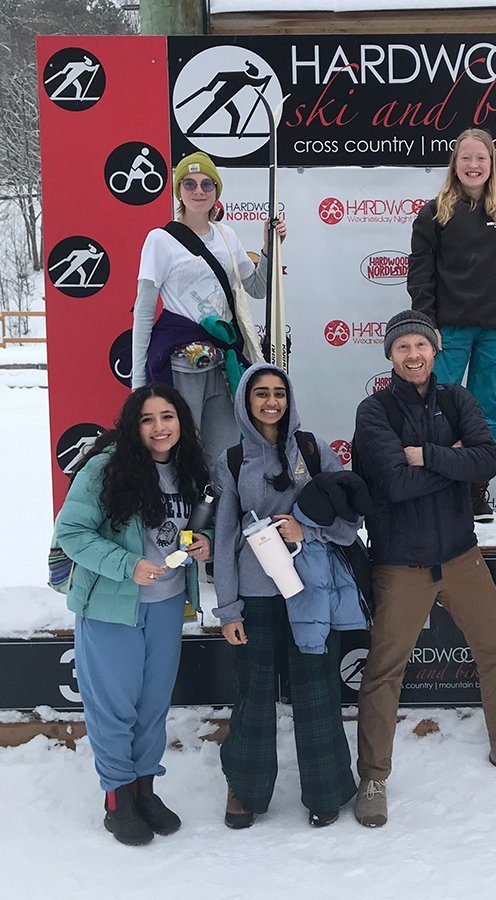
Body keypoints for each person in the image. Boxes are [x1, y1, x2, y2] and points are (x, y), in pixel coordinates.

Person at [352, 309, 496, 828]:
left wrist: (425, 456)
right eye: (402, 348)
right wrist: (451, 459)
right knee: (383, 673)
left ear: (435, 349)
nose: (413, 355)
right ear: (390, 356)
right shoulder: (374, 412)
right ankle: (373, 775)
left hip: (462, 556)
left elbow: (487, 462)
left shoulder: (458, 399)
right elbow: (393, 485)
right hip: (400, 563)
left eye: (420, 345)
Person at [213, 362, 369, 830]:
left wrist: (309, 528)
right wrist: (227, 608)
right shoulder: (233, 460)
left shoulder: (313, 450)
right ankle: (245, 787)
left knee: (317, 689)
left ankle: (327, 788)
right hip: (256, 593)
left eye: (279, 392)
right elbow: (223, 538)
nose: (271, 401)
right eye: (260, 393)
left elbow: (350, 520)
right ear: (245, 401)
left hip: (311, 591)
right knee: (254, 694)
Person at [55, 385, 212, 846]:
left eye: (168, 416)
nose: (159, 427)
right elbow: (72, 531)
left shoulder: (188, 470)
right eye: (148, 419)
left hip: (165, 605)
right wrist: (127, 565)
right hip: (111, 607)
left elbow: (187, 531)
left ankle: (145, 789)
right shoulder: (106, 467)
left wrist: (201, 543)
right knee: (113, 709)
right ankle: (117, 798)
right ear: (132, 425)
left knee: (151, 707)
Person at [406, 128, 496, 521]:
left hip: (495, 332)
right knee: (441, 412)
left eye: (480, 158)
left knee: (486, 413)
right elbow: (420, 275)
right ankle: (441, 488)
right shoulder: (433, 213)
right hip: (446, 331)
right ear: (455, 164)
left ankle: (475, 490)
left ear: (492, 164)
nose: (473, 165)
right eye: (465, 158)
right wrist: (426, 323)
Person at [132, 151, 286, 464]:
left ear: (216, 191)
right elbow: (145, 311)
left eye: (206, 184)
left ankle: (221, 514)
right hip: (182, 365)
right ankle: (184, 514)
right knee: (182, 453)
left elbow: (256, 288)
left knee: (224, 456)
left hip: (224, 364)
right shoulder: (160, 240)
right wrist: (138, 386)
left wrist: (269, 251)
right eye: (189, 184)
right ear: (178, 191)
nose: (198, 191)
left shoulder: (227, 236)